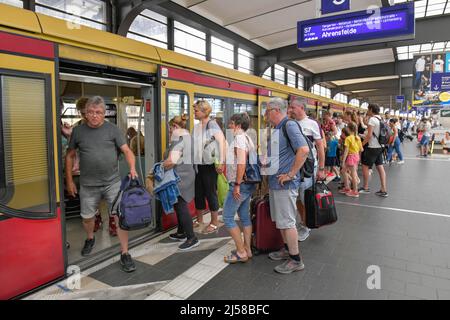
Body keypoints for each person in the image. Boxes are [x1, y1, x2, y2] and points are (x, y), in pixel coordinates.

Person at [66, 96, 138, 272]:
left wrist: (133, 168)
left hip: (111, 183)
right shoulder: (78, 132)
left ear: (104, 114)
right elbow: (69, 156)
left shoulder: (112, 130)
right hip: (88, 184)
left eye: (98, 113)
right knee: (87, 217)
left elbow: (127, 151)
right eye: (91, 112)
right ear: (85, 113)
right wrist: (69, 181)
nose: (94, 116)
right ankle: (90, 238)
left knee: (118, 217)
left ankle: (125, 252)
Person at [264, 97, 310, 274]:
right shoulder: (278, 127)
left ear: (276, 110)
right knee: (281, 222)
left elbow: (303, 150)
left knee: (288, 222)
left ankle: (296, 260)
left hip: (286, 184)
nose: (266, 114)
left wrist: (291, 174)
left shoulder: (288, 125)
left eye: (268, 111)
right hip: (276, 182)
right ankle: (286, 250)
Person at [288, 97, 326, 243]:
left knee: (306, 198)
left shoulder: (312, 124)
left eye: (293, 108)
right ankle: (303, 221)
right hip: (294, 166)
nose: (290, 110)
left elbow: (320, 147)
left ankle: (306, 225)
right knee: (297, 198)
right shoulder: (291, 124)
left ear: (301, 108)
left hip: (308, 168)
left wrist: (321, 169)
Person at [223, 113, 257, 263]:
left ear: (237, 124)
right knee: (244, 216)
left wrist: (236, 184)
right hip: (247, 185)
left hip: (240, 185)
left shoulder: (239, 139)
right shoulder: (248, 138)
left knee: (228, 218)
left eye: (230, 123)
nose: (229, 126)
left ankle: (241, 252)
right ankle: (247, 249)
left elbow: (241, 163)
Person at [163, 115, 199, 250]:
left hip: (181, 176)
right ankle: (181, 232)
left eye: (170, 129)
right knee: (179, 204)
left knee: (181, 205)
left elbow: (171, 161)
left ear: (176, 127)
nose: (169, 132)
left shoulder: (180, 141)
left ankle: (192, 237)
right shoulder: (189, 138)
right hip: (188, 174)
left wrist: (158, 168)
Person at [192, 100, 226, 234]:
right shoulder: (197, 126)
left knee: (210, 192)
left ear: (204, 111)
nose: (194, 112)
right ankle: (200, 219)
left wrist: (221, 162)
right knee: (198, 192)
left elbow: (222, 142)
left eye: (196, 110)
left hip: (210, 165)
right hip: (198, 164)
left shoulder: (212, 125)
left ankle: (214, 221)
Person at [359, 103, 388, 197]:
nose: (367, 111)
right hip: (380, 146)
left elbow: (369, 135)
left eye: (368, 109)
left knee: (365, 167)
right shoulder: (381, 119)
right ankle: (383, 189)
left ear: (371, 110)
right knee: (380, 167)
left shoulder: (372, 119)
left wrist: (361, 145)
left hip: (372, 147)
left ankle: (366, 187)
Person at [340, 123, 363, 198]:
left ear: (349, 129)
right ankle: (347, 188)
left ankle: (355, 191)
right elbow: (361, 149)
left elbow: (346, 151)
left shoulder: (348, 138)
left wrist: (343, 161)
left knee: (352, 173)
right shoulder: (358, 138)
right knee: (343, 171)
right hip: (356, 156)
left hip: (351, 156)